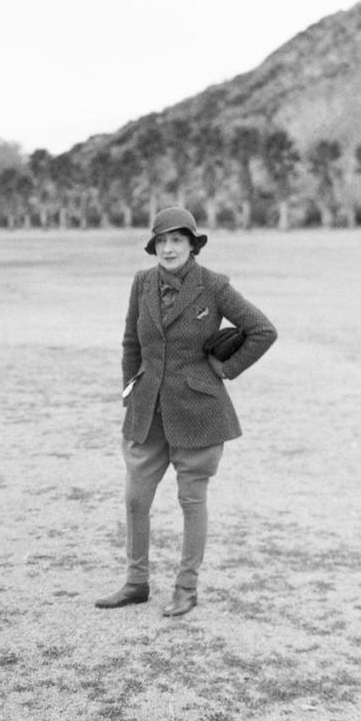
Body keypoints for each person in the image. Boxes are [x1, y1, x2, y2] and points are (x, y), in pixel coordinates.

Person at [95, 206, 276, 617]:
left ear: (193, 245)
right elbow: (131, 344)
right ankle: (136, 583)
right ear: (153, 246)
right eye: (161, 240)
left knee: (191, 500)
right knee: (136, 499)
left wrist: (225, 368)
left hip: (199, 411)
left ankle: (186, 587)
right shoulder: (142, 283)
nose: (169, 248)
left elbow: (263, 330)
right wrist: (130, 389)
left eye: (177, 240)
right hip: (148, 410)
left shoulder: (213, 286)